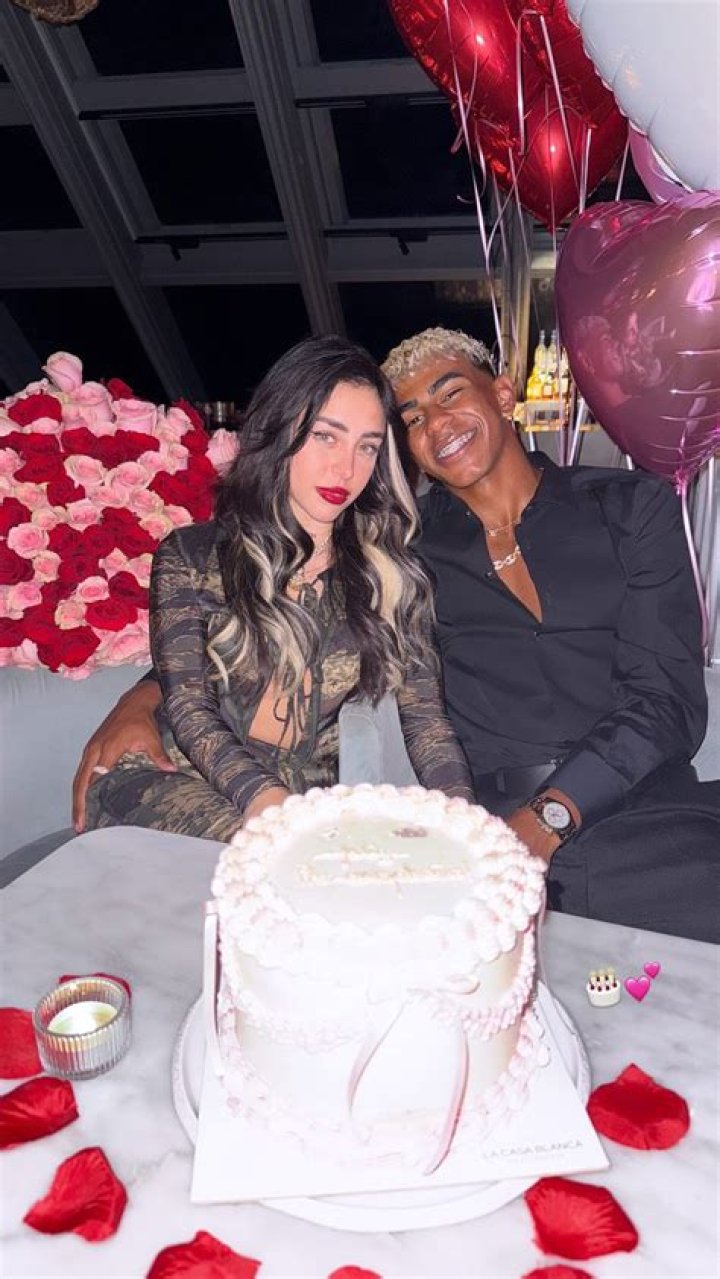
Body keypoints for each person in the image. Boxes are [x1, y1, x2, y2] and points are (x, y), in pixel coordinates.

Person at [74, 328, 719, 941]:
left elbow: (663, 698)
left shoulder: (624, 509)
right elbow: (222, 648)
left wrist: (523, 820)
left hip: (637, 812)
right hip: (482, 814)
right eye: (410, 418)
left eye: (450, 393)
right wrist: (145, 694)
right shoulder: (409, 547)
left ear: (501, 394)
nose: (436, 425)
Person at [78, 335, 473, 843]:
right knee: (279, 856)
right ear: (280, 428)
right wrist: (275, 808)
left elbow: (427, 725)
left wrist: (466, 826)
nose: (346, 468)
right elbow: (189, 708)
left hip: (304, 800)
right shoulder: (192, 556)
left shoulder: (392, 576)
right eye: (325, 436)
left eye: (367, 446)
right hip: (176, 779)